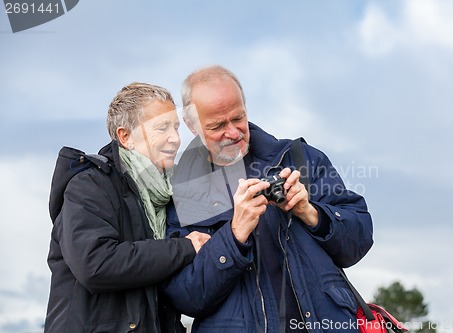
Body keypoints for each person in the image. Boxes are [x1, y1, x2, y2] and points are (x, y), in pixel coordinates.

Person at [162, 65, 374, 333]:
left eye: (238, 118)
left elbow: (360, 239)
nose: (233, 133)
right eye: (217, 125)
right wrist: (235, 235)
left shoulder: (300, 158)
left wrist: (311, 213)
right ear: (192, 126)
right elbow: (185, 296)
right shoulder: (182, 191)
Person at [44, 82, 210, 333]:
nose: (175, 139)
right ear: (125, 137)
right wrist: (185, 247)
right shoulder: (89, 186)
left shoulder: (171, 195)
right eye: (162, 128)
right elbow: (95, 265)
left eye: (175, 127)